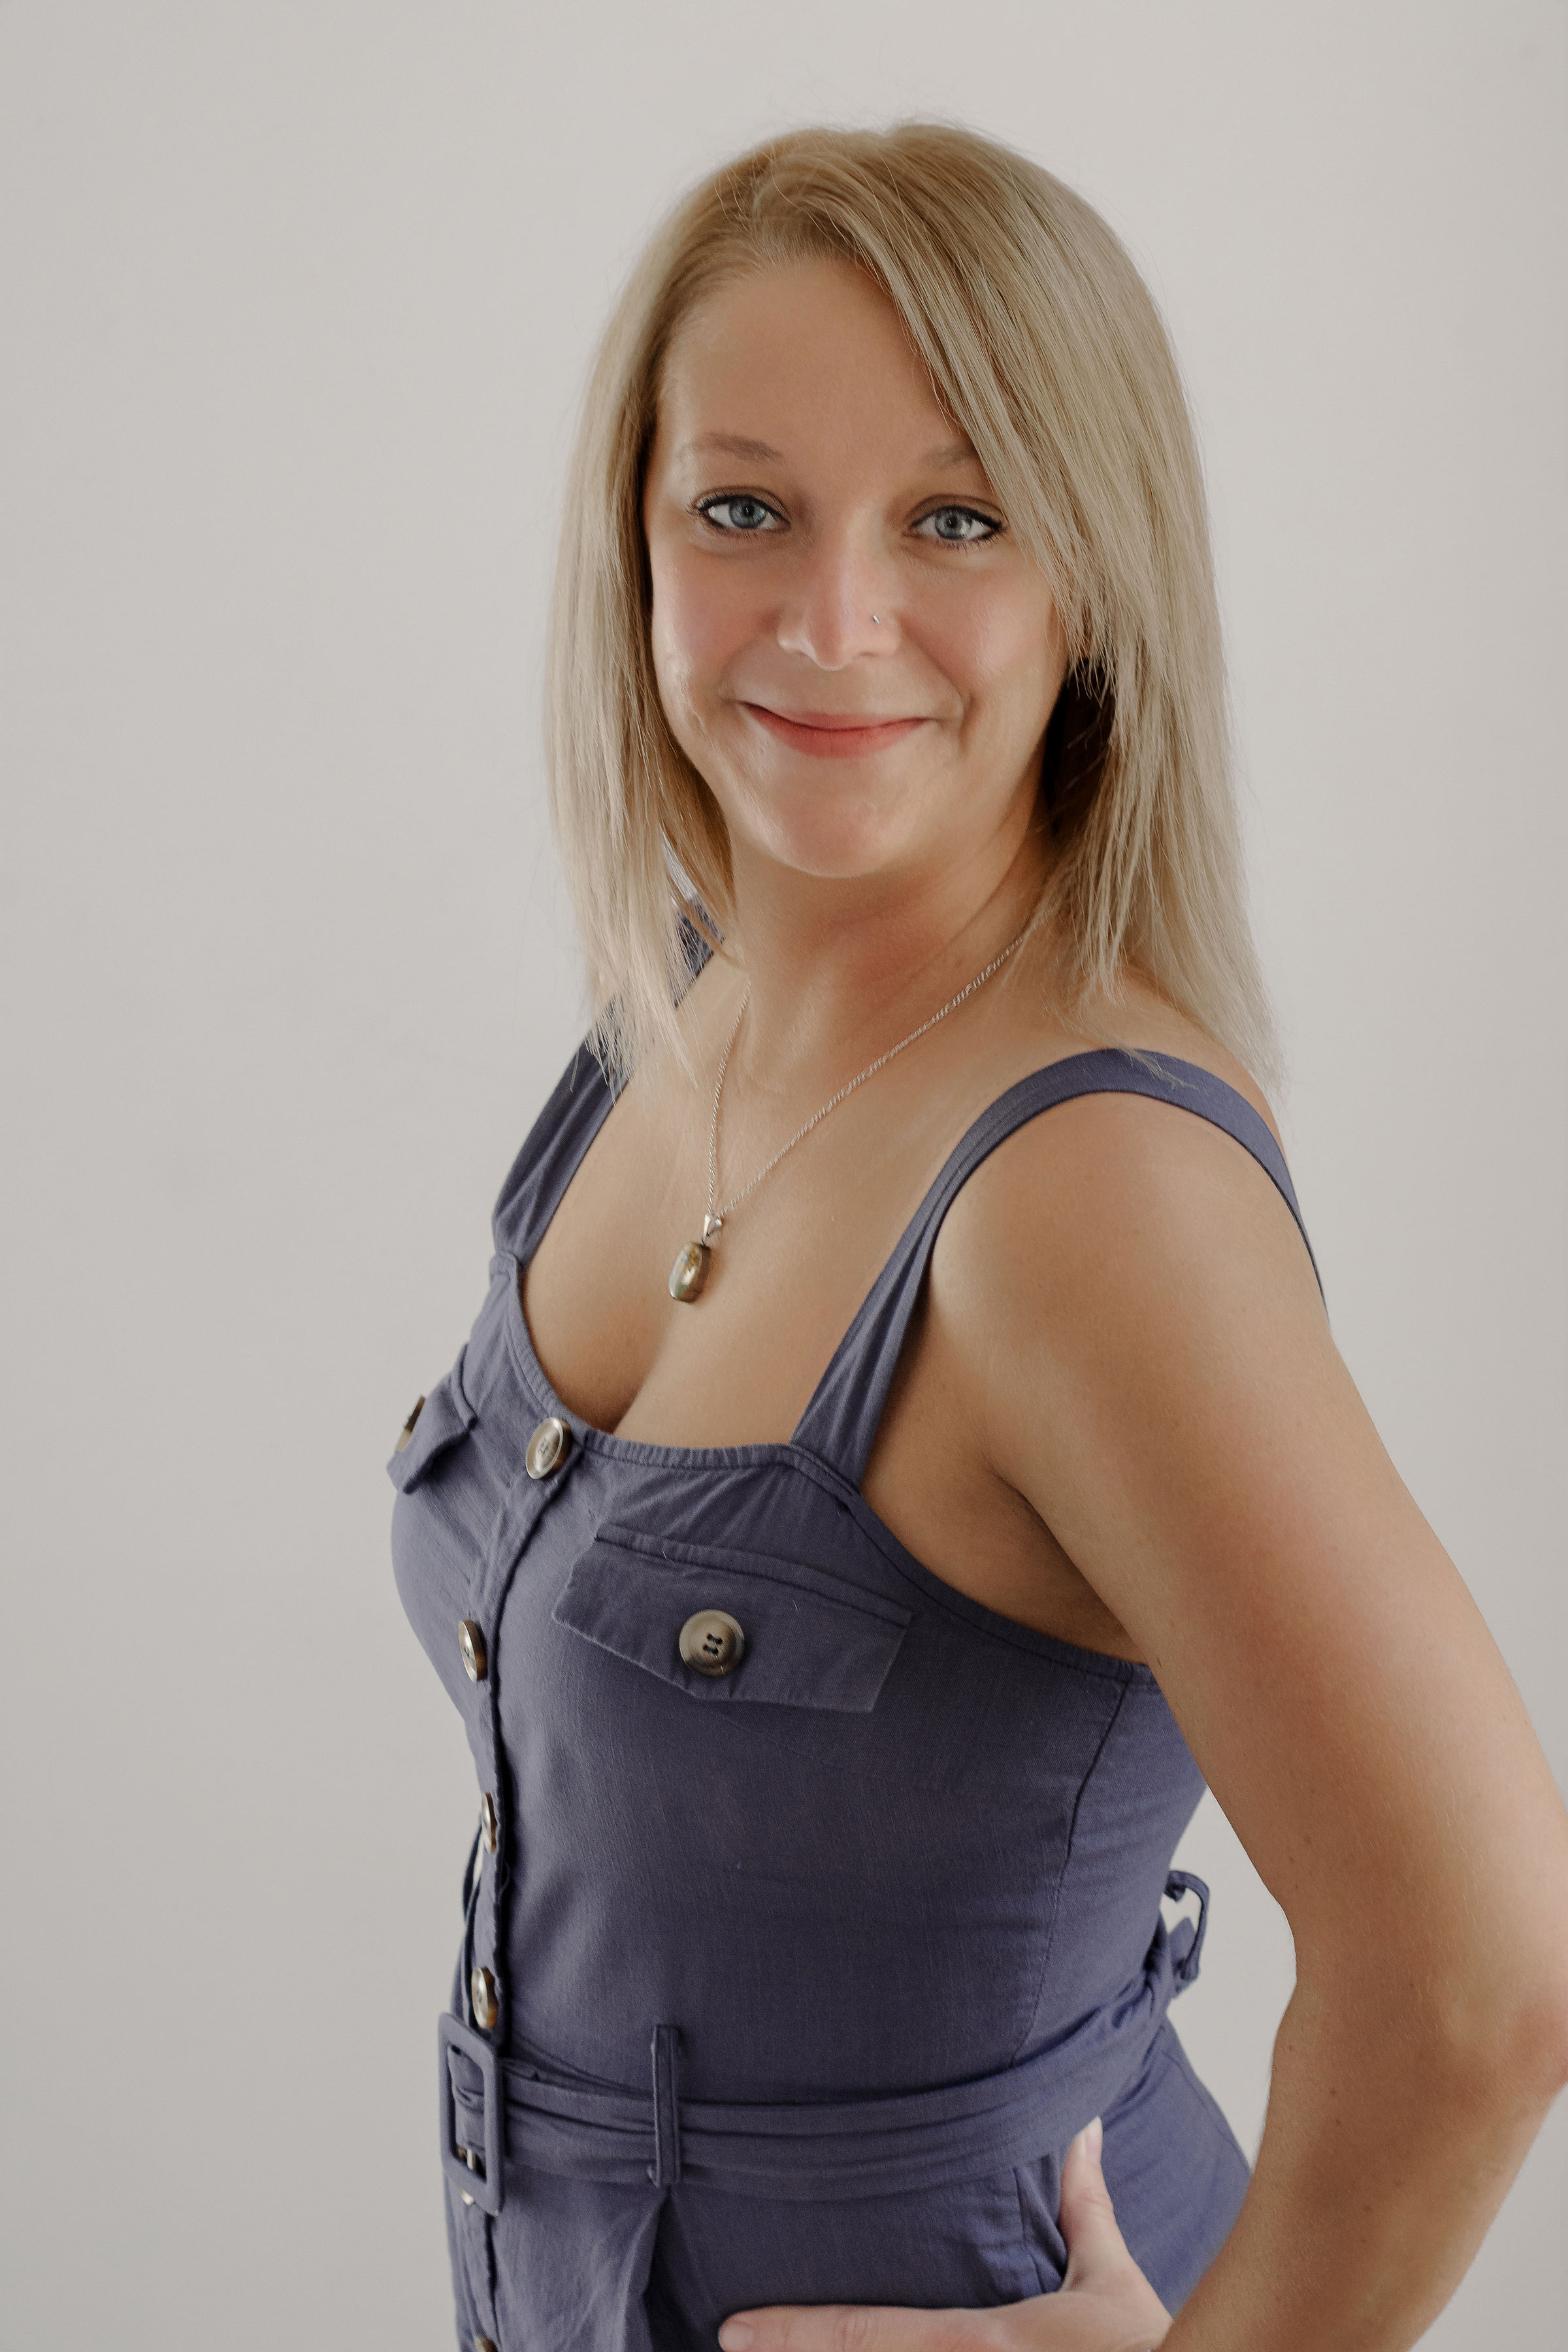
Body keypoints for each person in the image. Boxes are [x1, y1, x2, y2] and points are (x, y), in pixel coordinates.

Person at [389, 123, 1568, 2352]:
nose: (833, 622)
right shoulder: (679, 1009)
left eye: (957, 518)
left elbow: (1484, 1978)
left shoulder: (1087, 1199)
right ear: (634, 541)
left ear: (1090, 579)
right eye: (743, 510)